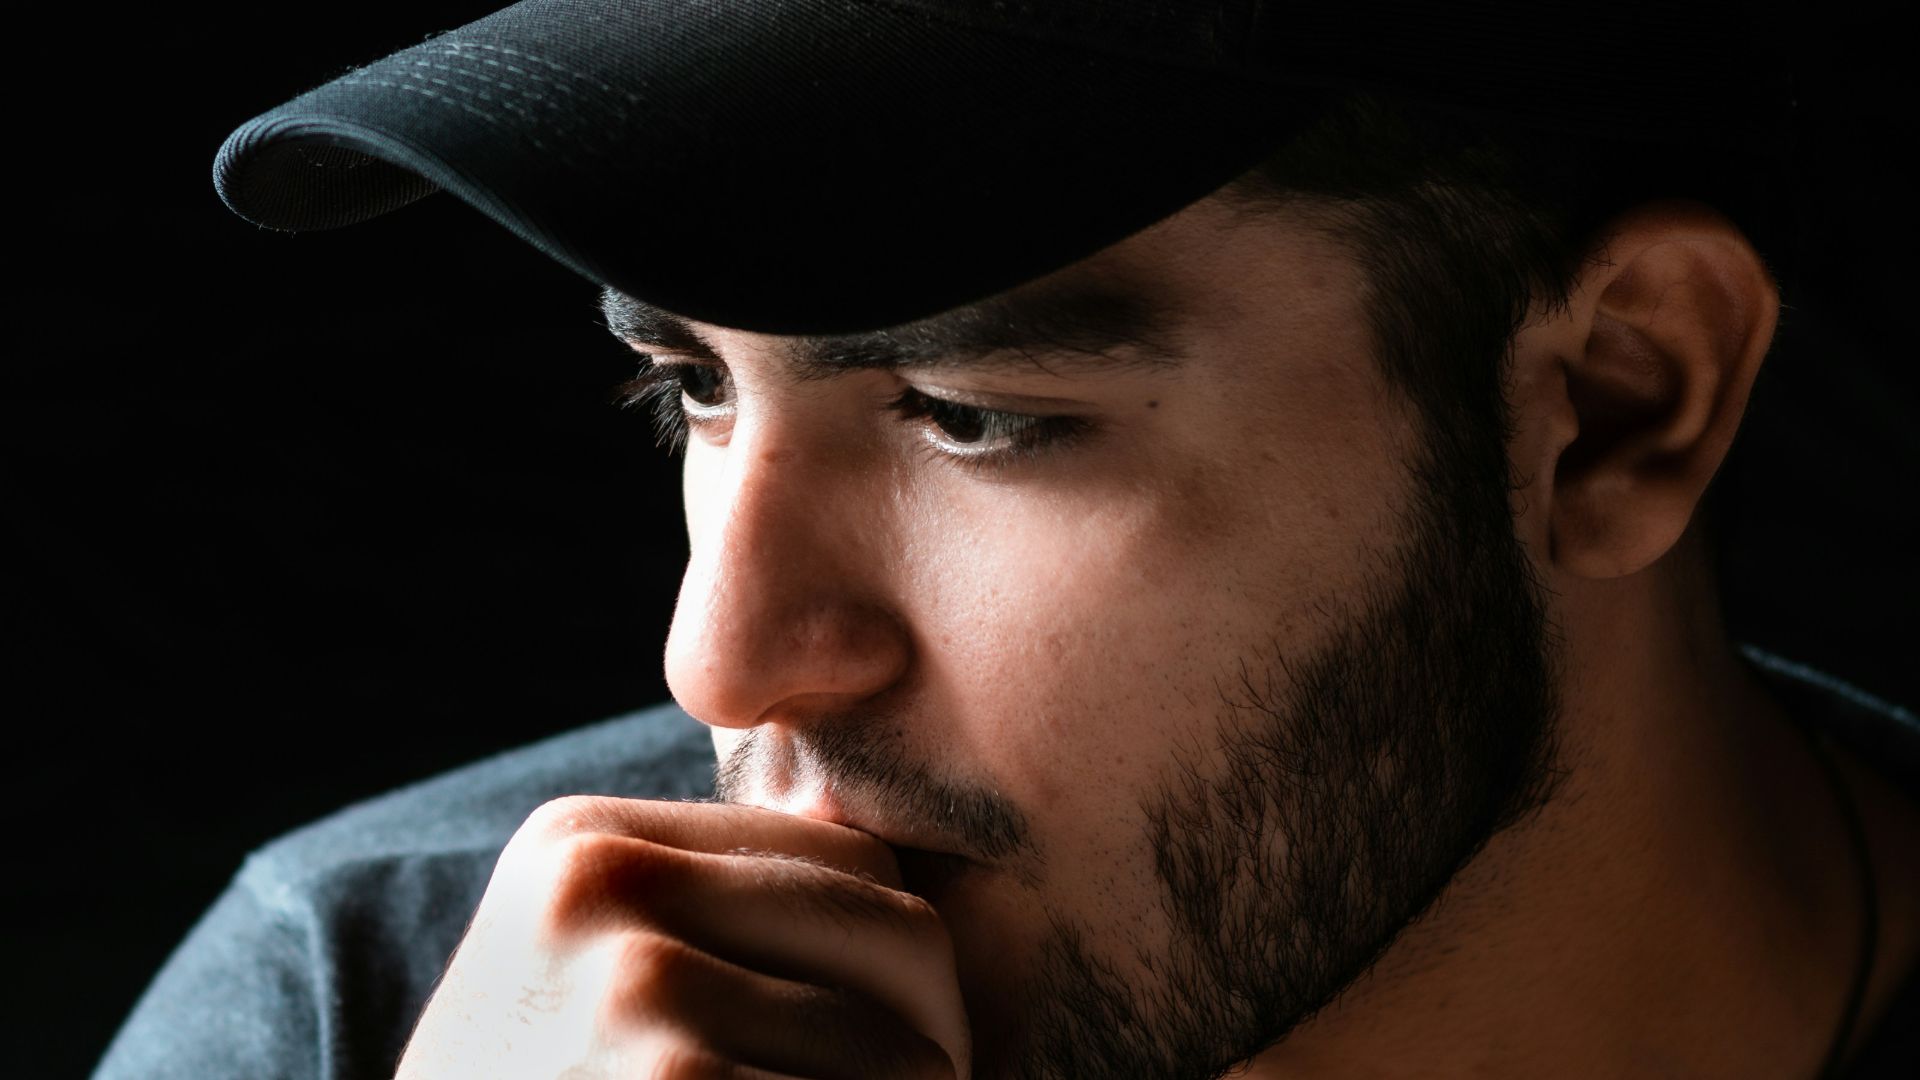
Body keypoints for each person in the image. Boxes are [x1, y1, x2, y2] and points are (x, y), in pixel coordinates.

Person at [99, 1, 1918, 1077]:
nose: (718, 659)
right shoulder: (365, 1010)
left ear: (1616, 403)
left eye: (976, 417)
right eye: (692, 390)